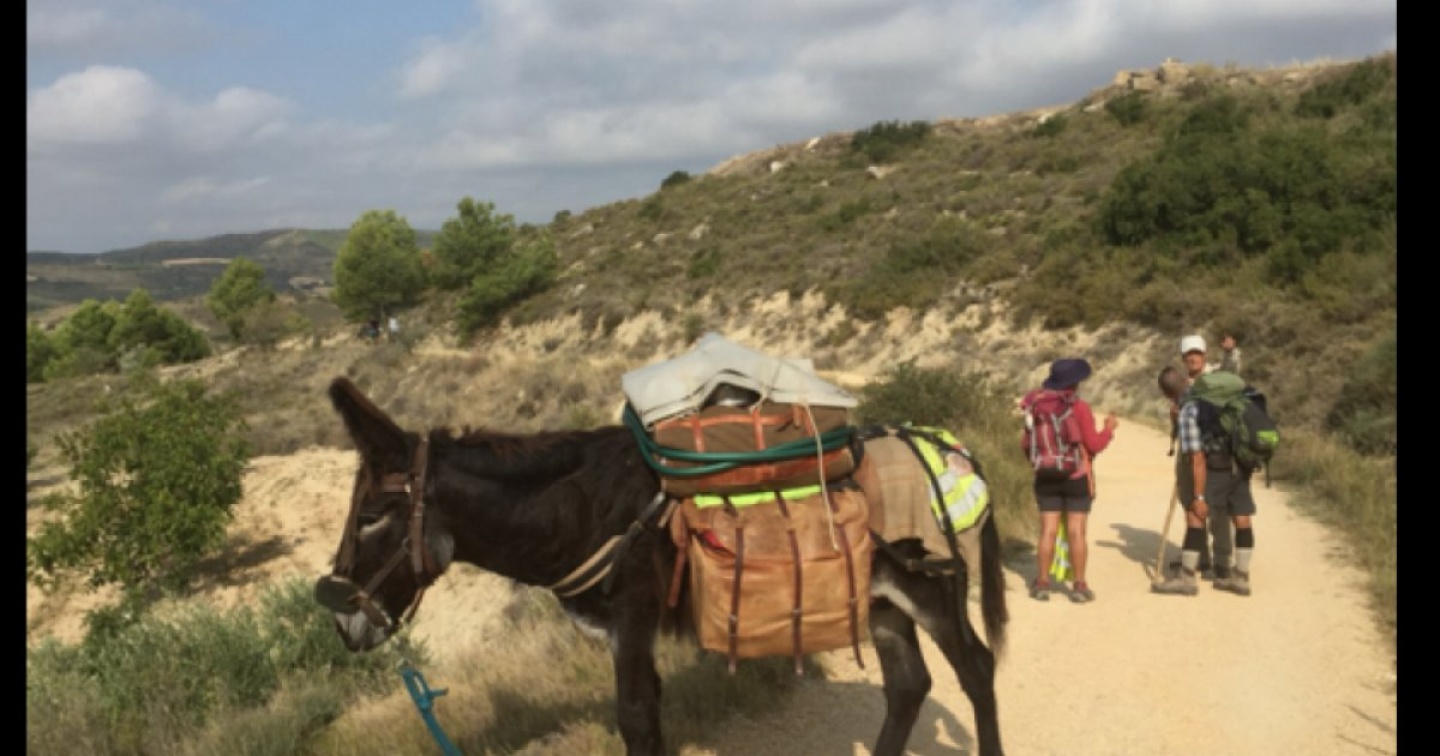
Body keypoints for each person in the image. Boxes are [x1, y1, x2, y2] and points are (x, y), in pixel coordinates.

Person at [1153, 370, 1258, 597]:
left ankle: (1186, 578)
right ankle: (1241, 576)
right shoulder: (1228, 398)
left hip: (1215, 468)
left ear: (1167, 394)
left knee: (1195, 514)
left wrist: (1199, 497)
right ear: (1186, 380)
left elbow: (1197, 457)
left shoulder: (1190, 409)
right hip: (1239, 466)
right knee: (1242, 517)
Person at [1021, 358, 1117, 603]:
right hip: (1076, 476)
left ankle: (1042, 583)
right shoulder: (1079, 407)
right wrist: (1108, 429)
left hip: (1045, 476)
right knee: (1076, 532)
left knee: (1048, 531)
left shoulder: (1036, 405)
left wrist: (1044, 463)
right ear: (1074, 383)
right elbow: (1094, 445)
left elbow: (1026, 444)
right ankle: (1079, 585)